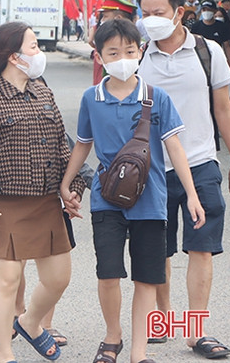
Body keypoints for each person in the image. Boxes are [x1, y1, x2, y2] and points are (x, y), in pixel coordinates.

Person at [60, 18, 205, 363]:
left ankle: (138, 354)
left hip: (151, 201)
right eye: (112, 52)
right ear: (99, 57)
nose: (122, 57)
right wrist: (67, 183)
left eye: (128, 50)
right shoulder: (91, 98)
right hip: (106, 201)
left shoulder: (157, 98)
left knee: (146, 278)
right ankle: (113, 337)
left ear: (140, 51)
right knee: (108, 273)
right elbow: (82, 144)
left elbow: (175, 149)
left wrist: (193, 195)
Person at [0, 22, 76, 363]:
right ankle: (5, 353)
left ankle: (30, 322)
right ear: (14, 56)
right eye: (33, 46)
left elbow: (61, 143)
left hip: (45, 202)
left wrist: (72, 187)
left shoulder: (43, 90)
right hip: (3, 203)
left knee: (59, 279)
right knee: (7, 281)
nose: (38, 53)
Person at [137, 0, 230, 359]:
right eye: (145, 14)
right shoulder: (139, 56)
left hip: (200, 162)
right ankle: (161, 321)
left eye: (158, 13)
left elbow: (224, 109)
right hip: (152, 168)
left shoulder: (208, 52)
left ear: (180, 12)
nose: (150, 21)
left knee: (201, 248)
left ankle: (196, 331)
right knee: (157, 249)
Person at [191, 0, 230, 73]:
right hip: (200, 61)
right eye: (204, 9)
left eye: (209, 9)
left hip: (217, 60)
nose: (206, 12)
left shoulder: (221, 26)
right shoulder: (196, 26)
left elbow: (226, 46)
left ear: (214, 11)